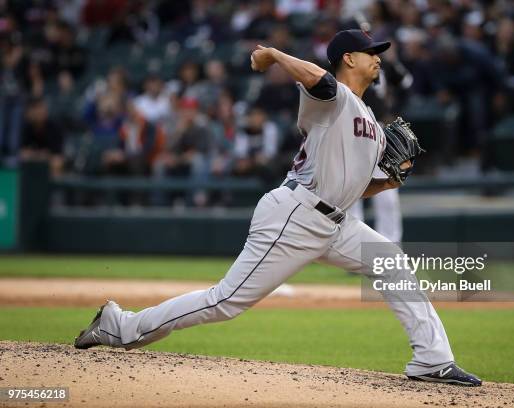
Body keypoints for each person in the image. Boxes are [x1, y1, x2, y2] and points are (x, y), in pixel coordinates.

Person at [74, 30, 481, 387]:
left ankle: (433, 360)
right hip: (294, 216)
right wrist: (273, 54)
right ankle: (120, 326)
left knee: (390, 261)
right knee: (225, 301)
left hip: (335, 221)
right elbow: (318, 80)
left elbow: (351, 189)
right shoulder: (332, 99)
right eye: (371, 52)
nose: (379, 59)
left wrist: (389, 182)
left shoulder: (372, 123)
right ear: (349, 59)